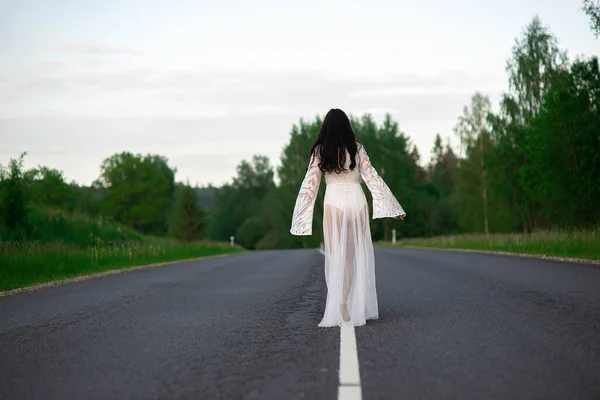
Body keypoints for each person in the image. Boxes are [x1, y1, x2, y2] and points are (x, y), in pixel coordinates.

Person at [290, 108, 406, 327]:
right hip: (357, 200)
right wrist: (393, 206)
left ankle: (341, 304)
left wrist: (299, 219)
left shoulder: (320, 151)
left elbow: (310, 185)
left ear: (326, 127)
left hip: (334, 202)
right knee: (351, 258)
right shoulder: (357, 148)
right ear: (347, 126)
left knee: (337, 257)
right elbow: (372, 177)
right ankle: (348, 302)